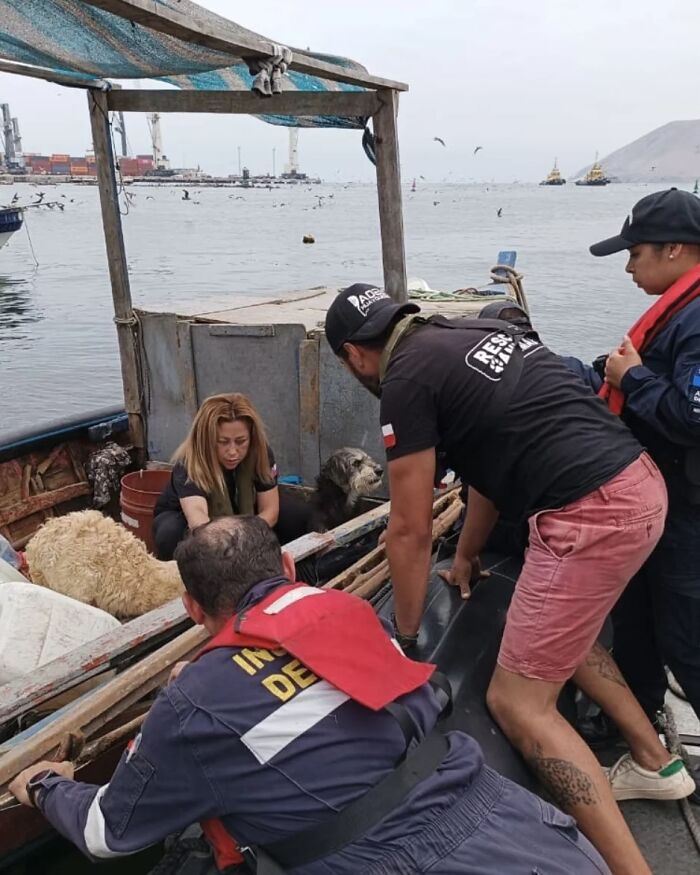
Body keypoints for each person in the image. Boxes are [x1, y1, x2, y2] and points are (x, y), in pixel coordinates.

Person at [324, 282, 694, 875]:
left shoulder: (406, 379)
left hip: (587, 514)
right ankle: (655, 760)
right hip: (639, 487)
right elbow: (489, 472)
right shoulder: (466, 333)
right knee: (554, 636)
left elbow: (410, 528)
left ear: (353, 355)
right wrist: (467, 555)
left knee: (519, 703)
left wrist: (405, 638)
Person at [9, 515, 612, 874]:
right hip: (523, 825)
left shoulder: (193, 705)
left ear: (191, 610)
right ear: (290, 574)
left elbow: (105, 834)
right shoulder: (347, 612)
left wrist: (40, 783)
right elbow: (418, 701)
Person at [563, 188, 700, 733]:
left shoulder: (696, 320)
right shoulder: (681, 310)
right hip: (655, 500)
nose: (628, 267)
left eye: (635, 253)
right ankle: (633, 722)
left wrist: (632, 378)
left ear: (674, 250)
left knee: (686, 637)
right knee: (636, 615)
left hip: (687, 509)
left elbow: (694, 417)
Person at [153, 392, 279, 560]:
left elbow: (270, 510)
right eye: (223, 442)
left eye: (241, 441)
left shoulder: (260, 453)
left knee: (296, 514)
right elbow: (198, 519)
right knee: (169, 532)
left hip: (244, 520)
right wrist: (234, 542)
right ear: (207, 439)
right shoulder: (188, 463)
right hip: (188, 522)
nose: (233, 452)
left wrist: (246, 536)